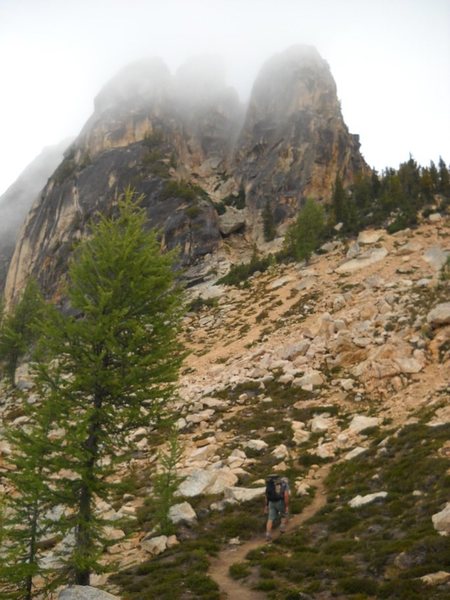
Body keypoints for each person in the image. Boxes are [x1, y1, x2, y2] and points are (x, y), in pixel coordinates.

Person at [264, 475, 290, 541]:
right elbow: (286, 495)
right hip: (280, 502)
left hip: (271, 502)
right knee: (283, 514)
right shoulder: (285, 485)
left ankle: (268, 534)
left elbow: (266, 496)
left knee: (270, 518)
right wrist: (286, 506)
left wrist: (266, 506)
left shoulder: (270, 485)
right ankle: (282, 527)